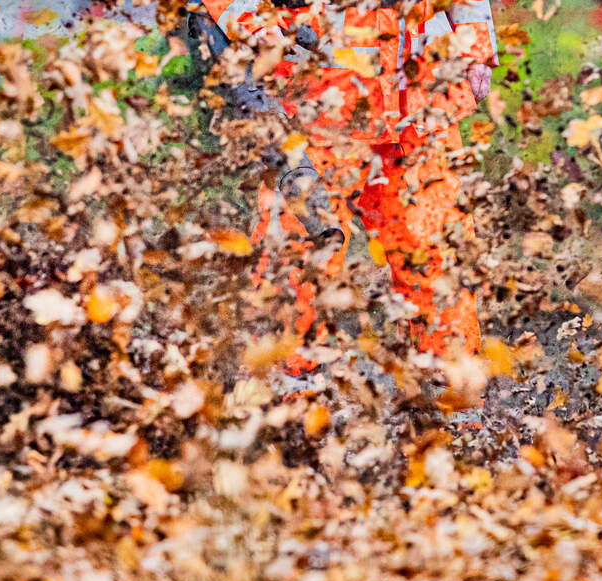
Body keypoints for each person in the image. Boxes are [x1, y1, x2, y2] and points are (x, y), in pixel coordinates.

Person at [197, 0, 495, 372]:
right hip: (314, 101)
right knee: (300, 253)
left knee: (437, 250)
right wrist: (253, 24)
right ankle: (288, 390)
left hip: (422, 98)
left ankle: (455, 389)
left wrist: (476, 47)